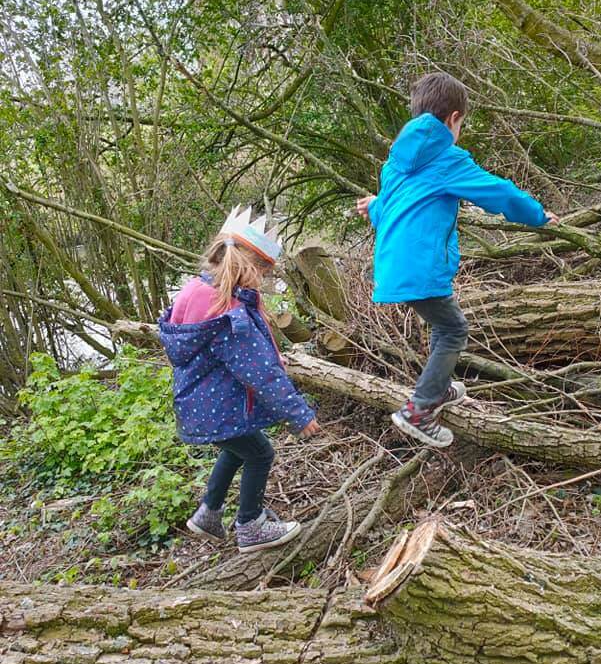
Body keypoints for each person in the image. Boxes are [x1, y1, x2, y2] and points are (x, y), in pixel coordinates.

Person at [357, 71, 558, 448]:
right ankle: (419, 409)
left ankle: (440, 388)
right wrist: (537, 215)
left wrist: (374, 205)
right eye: (462, 123)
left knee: (442, 325)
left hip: (392, 270)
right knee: (454, 329)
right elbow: (498, 193)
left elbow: (390, 213)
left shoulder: (395, 165)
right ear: (453, 119)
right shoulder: (446, 160)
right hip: (422, 270)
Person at [158, 206, 320, 552]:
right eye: (263, 270)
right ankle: (250, 525)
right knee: (260, 453)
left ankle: (208, 514)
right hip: (215, 403)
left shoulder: (196, 290)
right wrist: (299, 414)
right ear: (247, 264)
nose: (264, 279)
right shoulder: (226, 312)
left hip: (203, 402)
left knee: (238, 447)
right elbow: (259, 371)